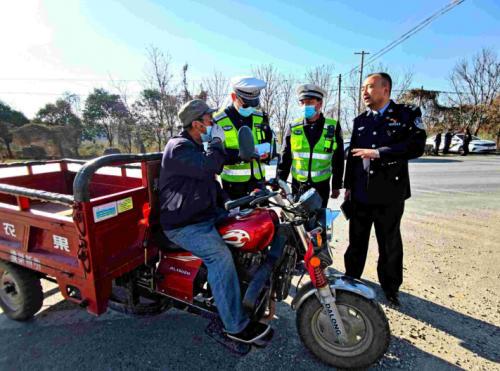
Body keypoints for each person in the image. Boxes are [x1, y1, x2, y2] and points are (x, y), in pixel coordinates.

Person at [159, 99, 270, 344]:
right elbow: (207, 167)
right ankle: (235, 326)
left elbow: (214, 177)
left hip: (204, 215)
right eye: (210, 119)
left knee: (246, 229)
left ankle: (241, 293)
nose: (214, 122)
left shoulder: (197, 147)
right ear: (197, 124)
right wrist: (218, 143)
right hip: (183, 224)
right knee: (219, 256)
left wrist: (239, 200)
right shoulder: (179, 147)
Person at [343, 73, 426, 306]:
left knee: (389, 244)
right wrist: (349, 186)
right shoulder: (360, 121)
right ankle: (351, 282)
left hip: (389, 193)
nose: (364, 92)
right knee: (356, 242)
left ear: (385, 89)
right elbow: (353, 157)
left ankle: (390, 288)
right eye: (363, 88)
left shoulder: (406, 115)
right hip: (360, 193)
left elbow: (416, 146)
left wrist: (380, 152)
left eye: (369, 87)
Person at [277, 84, 344, 207]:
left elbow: (338, 159)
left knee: (318, 221)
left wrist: (336, 185)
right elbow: (285, 156)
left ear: (320, 104)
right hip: (298, 185)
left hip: (321, 186)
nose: (305, 106)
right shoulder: (293, 126)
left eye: (309, 102)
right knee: (298, 221)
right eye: (302, 102)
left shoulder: (332, 127)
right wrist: (281, 183)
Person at [213, 76, 274, 200]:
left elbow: (270, 143)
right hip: (233, 188)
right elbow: (215, 155)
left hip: (259, 184)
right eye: (246, 104)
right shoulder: (219, 121)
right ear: (234, 97)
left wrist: (268, 154)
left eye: (254, 104)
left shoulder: (261, 118)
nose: (251, 108)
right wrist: (241, 155)